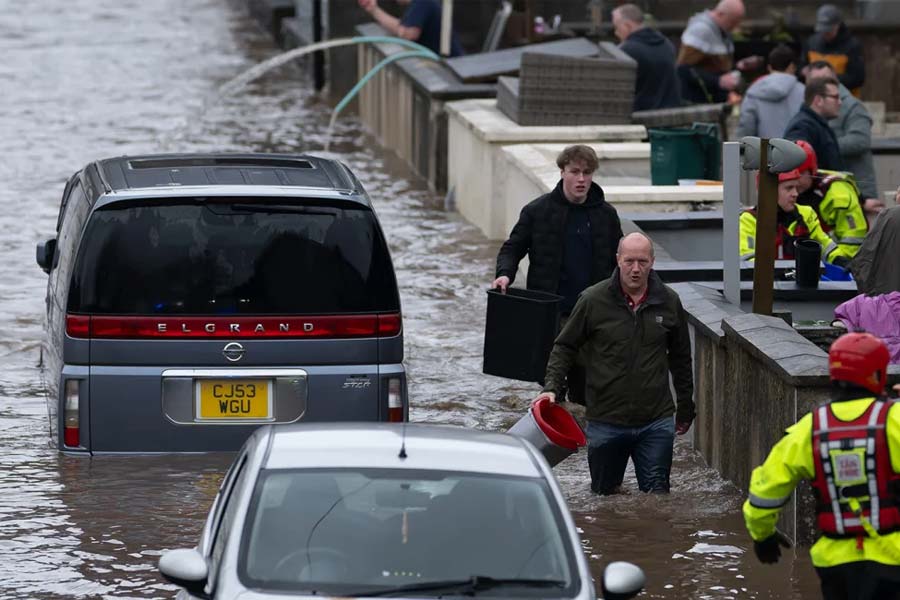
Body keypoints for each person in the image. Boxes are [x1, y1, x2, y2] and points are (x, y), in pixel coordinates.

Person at [743, 332, 900, 600]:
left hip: (835, 566)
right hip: (893, 562)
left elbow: (764, 493)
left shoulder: (809, 429)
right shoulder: (893, 420)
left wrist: (763, 536)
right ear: (877, 375)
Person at [534, 232, 694, 495]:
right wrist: (551, 388)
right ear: (618, 260)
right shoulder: (593, 300)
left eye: (642, 262)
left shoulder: (668, 301)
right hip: (605, 420)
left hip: (655, 420)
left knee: (657, 499)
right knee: (604, 499)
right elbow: (565, 346)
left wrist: (686, 408)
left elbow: (681, 359)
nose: (635, 269)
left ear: (652, 262)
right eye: (629, 261)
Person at [493, 145, 623, 404]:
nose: (582, 179)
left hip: (592, 316)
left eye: (587, 173)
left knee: (588, 389)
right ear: (562, 172)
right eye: (575, 172)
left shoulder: (606, 215)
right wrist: (504, 274)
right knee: (552, 387)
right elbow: (513, 247)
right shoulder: (537, 211)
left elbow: (620, 259)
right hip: (550, 314)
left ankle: (585, 440)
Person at [806, 60, 880, 209]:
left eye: (825, 80)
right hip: (832, 190)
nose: (820, 85)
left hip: (859, 192)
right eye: (815, 81)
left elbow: (860, 141)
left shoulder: (853, 107)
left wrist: (822, 148)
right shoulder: (811, 110)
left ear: (835, 80)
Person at [739, 168, 847, 267]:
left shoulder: (806, 214)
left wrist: (840, 259)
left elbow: (825, 246)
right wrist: (778, 273)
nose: (795, 194)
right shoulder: (750, 219)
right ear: (769, 191)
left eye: (796, 188)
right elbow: (748, 259)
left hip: (803, 284)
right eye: (789, 188)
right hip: (770, 286)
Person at [793, 140, 867, 262]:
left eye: (800, 174)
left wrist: (839, 265)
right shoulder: (788, 189)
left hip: (838, 263)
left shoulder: (837, 194)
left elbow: (853, 238)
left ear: (812, 171)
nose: (795, 180)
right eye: (790, 174)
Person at [611, 3, 682, 112]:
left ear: (627, 26)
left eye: (616, 27)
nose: (616, 33)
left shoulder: (626, 50)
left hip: (643, 117)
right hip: (672, 112)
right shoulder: (666, 43)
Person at [676, 0, 748, 104]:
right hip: (698, 99)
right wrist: (718, 81)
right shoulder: (700, 30)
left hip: (717, 96)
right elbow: (683, 69)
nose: (734, 27)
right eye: (732, 22)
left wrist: (738, 66)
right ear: (720, 14)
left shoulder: (722, 30)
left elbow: (716, 64)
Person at [735, 44, 805, 140]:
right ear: (792, 67)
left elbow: (746, 127)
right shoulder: (804, 92)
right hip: (798, 151)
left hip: (764, 152)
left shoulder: (754, 90)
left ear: (769, 67)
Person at [798, 4, 865, 97]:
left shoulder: (852, 46)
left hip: (843, 101)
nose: (825, 34)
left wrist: (829, 78)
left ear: (838, 26)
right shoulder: (811, 42)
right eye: (822, 31)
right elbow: (801, 66)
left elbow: (858, 79)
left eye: (829, 31)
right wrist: (803, 71)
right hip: (816, 100)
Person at [357, 0, 463, 57]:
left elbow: (408, 33)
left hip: (450, 73)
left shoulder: (423, 2)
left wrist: (374, 11)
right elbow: (402, 27)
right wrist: (373, 10)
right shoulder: (417, 5)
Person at [784, 76, 845, 172]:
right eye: (835, 97)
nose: (840, 102)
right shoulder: (803, 126)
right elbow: (796, 166)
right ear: (818, 100)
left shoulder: (818, 125)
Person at [851, 192, 900, 295]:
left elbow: (862, 261)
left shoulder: (889, 216)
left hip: (890, 302)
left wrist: (870, 295)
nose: (895, 197)